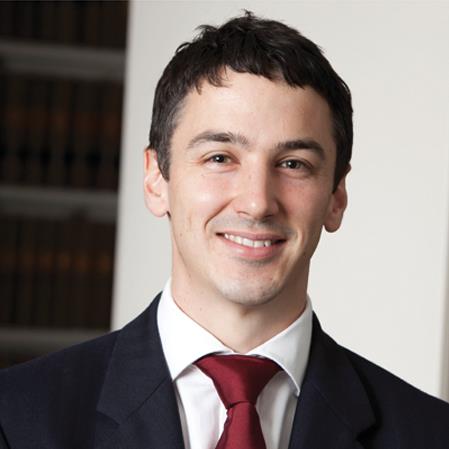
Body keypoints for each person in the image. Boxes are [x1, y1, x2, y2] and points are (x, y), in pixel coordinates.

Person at [1, 11, 448, 449]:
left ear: (336, 197)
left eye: (294, 164)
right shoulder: (15, 419)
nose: (257, 202)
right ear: (155, 179)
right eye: (219, 158)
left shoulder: (431, 434)